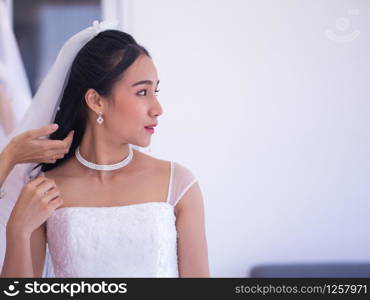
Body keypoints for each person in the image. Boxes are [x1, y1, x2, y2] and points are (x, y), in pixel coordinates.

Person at [0, 21, 209, 278]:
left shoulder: (178, 184)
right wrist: (18, 231)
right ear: (96, 101)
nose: (158, 108)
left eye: (155, 91)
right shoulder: (44, 190)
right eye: (143, 92)